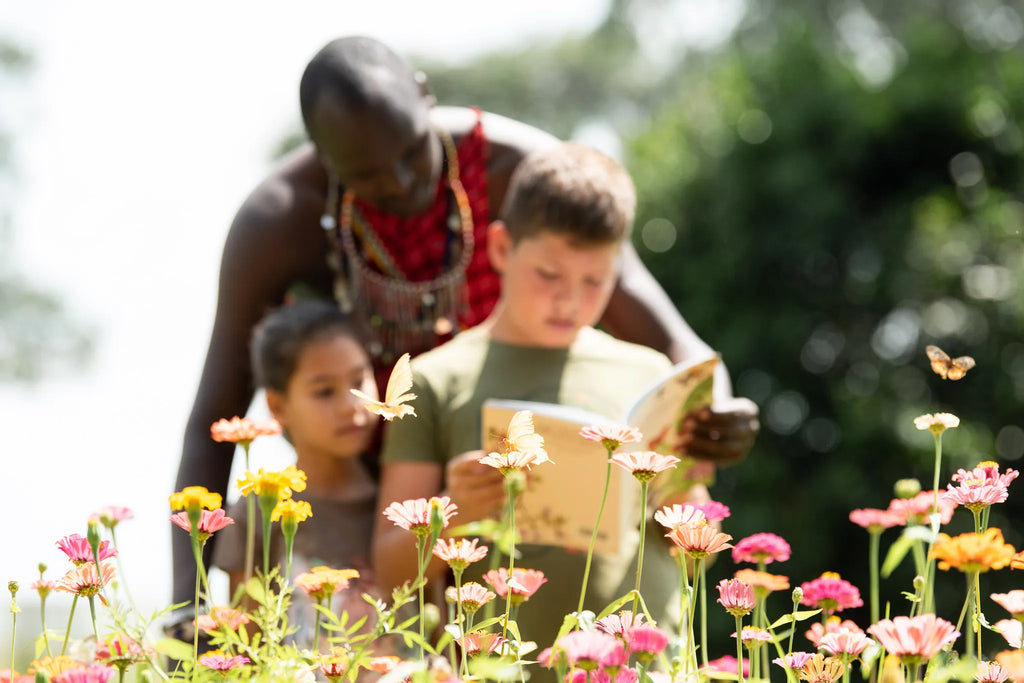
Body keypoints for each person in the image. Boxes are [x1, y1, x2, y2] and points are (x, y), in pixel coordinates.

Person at [172, 34, 757, 618]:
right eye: (368, 174)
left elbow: (665, 329)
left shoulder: (519, 170)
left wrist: (719, 408)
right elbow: (212, 419)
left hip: (502, 508)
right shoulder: (279, 220)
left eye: (410, 152)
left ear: (426, 99)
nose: (401, 184)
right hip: (367, 505)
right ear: (325, 159)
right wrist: (186, 612)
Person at [371, 142, 711, 657]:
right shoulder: (433, 380)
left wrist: (683, 490)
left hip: (642, 663)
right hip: (499, 666)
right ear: (502, 248)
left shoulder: (649, 374)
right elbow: (390, 568)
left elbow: (697, 557)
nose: (569, 299)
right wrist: (453, 511)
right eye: (549, 275)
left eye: (595, 280)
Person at [212, 299, 383, 647]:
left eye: (359, 380)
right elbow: (248, 651)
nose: (351, 406)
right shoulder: (259, 511)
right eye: (324, 391)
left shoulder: (399, 503)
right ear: (278, 406)